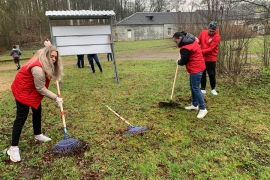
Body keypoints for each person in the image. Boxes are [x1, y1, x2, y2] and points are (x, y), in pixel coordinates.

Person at [7, 44, 64, 162]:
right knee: (21, 117)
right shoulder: (37, 68)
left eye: (55, 57)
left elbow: (45, 52)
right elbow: (40, 88)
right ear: (47, 55)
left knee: (37, 109)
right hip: (22, 90)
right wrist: (55, 98)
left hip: (31, 89)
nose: (53, 59)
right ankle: (13, 148)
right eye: (52, 56)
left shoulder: (44, 59)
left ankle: (38, 134)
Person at [173, 31, 208, 119]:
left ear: (180, 38)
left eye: (175, 41)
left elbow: (184, 60)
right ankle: (194, 104)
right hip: (198, 66)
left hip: (196, 68)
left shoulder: (185, 47)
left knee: (196, 88)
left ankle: (203, 108)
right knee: (193, 87)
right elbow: (185, 33)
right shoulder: (191, 39)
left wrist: (179, 62)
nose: (175, 43)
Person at [197, 21, 221, 95]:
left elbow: (211, 49)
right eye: (210, 31)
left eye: (213, 31)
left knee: (211, 73)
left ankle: (213, 89)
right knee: (202, 73)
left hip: (211, 58)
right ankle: (203, 88)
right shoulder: (203, 33)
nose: (211, 32)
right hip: (202, 58)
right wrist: (194, 44)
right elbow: (198, 41)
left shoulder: (217, 37)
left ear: (215, 30)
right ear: (208, 29)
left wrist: (200, 51)